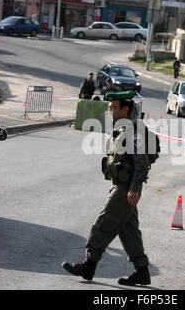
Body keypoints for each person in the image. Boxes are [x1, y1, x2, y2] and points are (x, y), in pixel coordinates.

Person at [62, 91, 152, 286]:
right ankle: (142, 271)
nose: (110, 111)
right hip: (121, 186)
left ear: (125, 109)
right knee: (129, 231)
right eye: (110, 108)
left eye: (114, 107)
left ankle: (89, 264)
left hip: (126, 188)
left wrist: (134, 188)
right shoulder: (121, 129)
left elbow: (142, 162)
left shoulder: (133, 131)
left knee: (103, 223)